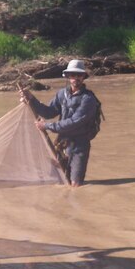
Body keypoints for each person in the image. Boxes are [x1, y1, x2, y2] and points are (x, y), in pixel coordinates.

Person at [20, 59, 102, 187]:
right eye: (73, 75)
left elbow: (73, 122)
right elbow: (48, 112)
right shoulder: (61, 94)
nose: (76, 78)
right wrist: (31, 99)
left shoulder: (88, 99)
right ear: (68, 76)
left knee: (76, 185)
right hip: (62, 144)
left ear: (83, 77)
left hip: (80, 145)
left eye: (79, 75)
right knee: (59, 181)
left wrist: (47, 126)